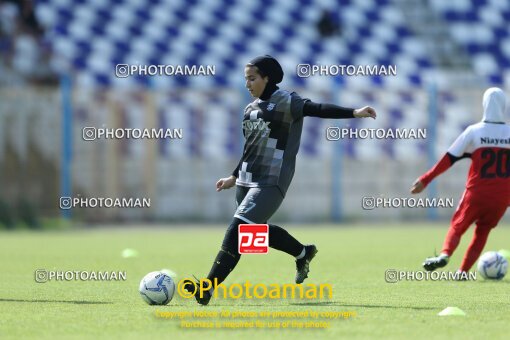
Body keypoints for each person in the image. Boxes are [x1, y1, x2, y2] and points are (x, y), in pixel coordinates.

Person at [184, 55, 376, 305]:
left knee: (238, 229)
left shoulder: (287, 101)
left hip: (271, 180)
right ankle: (303, 252)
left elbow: (316, 108)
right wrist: (233, 176)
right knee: (251, 236)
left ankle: (206, 288)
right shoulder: (249, 109)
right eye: (245, 79)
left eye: (252, 78)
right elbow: (249, 149)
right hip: (245, 181)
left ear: (267, 78)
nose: (247, 84)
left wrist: (354, 112)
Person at [411, 87, 510, 274]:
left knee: (458, 226)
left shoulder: (474, 131)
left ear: (484, 104)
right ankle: (463, 271)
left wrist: (425, 179)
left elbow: (449, 158)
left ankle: (444, 254)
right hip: (503, 196)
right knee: (483, 231)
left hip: (477, 192)